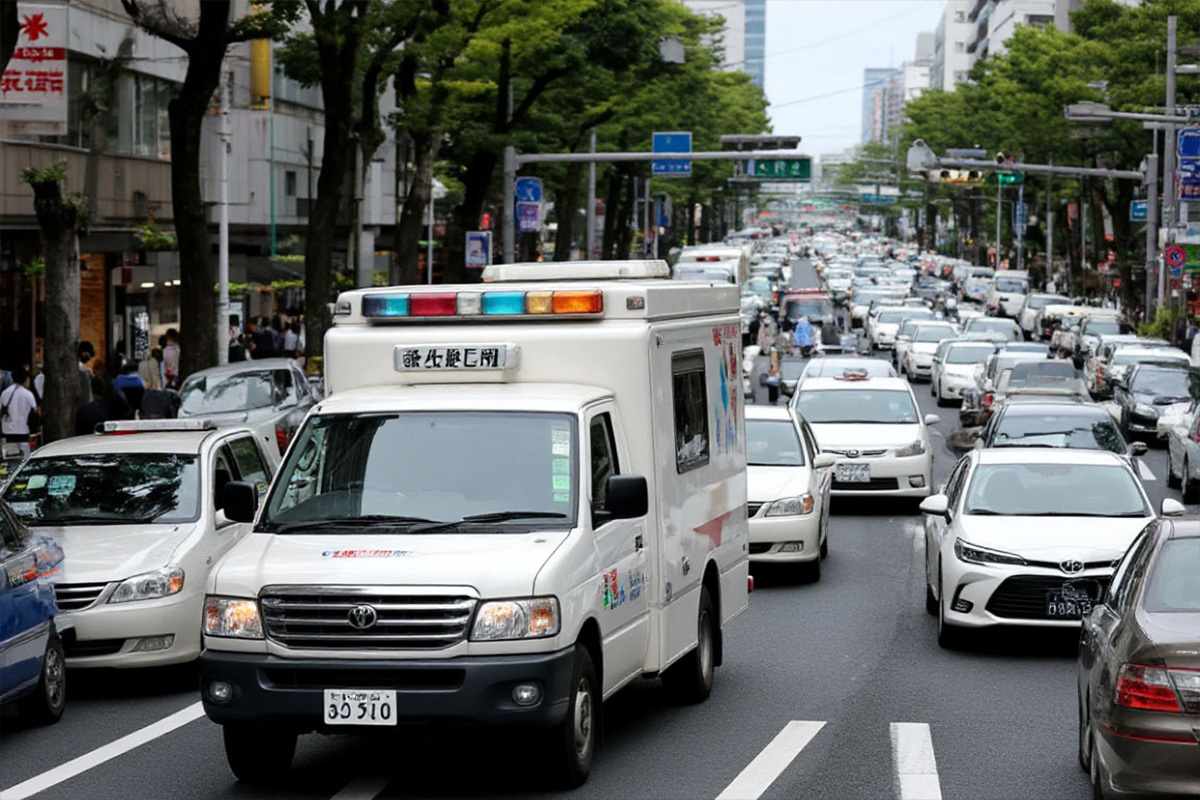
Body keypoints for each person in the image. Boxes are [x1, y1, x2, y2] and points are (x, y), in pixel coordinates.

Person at [1, 368, 39, 457]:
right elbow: (34, 409)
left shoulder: (5, 393)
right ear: (26, 379)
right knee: (25, 457)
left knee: (10, 457)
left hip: (7, 431)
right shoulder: (28, 394)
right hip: (23, 430)